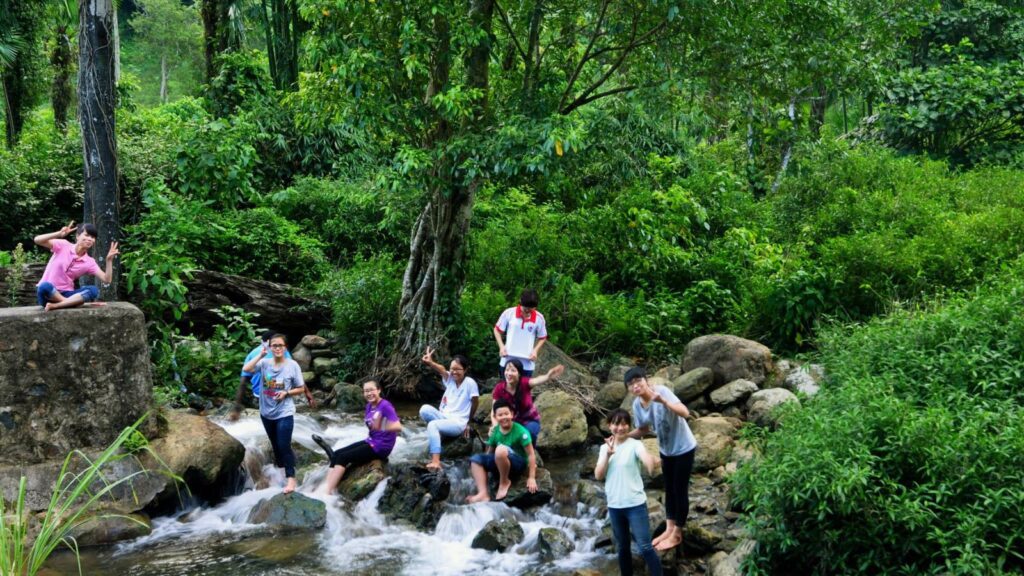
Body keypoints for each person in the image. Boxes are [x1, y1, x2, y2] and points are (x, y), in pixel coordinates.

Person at [626, 366, 697, 552]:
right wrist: (621, 437)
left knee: (679, 490)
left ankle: (677, 533)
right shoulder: (637, 405)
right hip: (666, 451)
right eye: (631, 384)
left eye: (638, 381)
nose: (636, 386)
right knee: (669, 489)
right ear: (629, 389)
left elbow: (685, 412)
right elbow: (643, 430)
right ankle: (669, 528)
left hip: (684, 448)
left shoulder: (662, 392)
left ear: (646, 380)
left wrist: (664, 401)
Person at [596, 409, 662, 576]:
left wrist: (650, 464)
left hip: (635, 505)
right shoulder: (604, 448)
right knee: (623, 548)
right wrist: (608, 455)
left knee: (645, 546)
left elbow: (645, 457)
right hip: (615, 505)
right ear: (609, 426)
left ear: (629, 426)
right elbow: (598, 475)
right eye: (617, 424)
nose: (621, 427)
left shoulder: (635, 444)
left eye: (625, 424)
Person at [241, 333, 306, 494]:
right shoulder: (264, 363)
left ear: (285, 348)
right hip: (266, 413)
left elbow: (301, 388)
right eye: (274, 345)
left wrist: (286, 393)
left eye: (280, 346)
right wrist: (260, 356)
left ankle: (291, 480)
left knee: (284, 445)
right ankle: (282, 473)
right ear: (270, 347)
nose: (277, 348)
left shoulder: (292, 365)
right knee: (276, 445)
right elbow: (246, 369)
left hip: (285, 412)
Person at [312, 378, 400, 495]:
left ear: (378, 390)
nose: (369, 393)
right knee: (338, 453)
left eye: (371, 390)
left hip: (381, 447)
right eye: (366, 391)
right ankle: (327, 484)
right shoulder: (369, 406)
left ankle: (327, 492)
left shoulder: (385, 406)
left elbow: (397, 426)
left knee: (343, 458)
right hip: (372, 441)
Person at [34, 221, 119, 310]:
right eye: (86, 235)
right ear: (78, 236)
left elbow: (107, 279)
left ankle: (57, 305)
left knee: (93, 290)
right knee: (44, 286)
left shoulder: (89, 262)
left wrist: (109, 260)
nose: (90, 239)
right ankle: (68, 302)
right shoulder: (63, 245)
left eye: (93, 237)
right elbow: (37, 240)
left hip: (68, 293)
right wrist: (59, 233)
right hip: (49, 295)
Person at [419, 347, 480, 470]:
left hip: (457, 423)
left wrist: (468, 422)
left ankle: (436, 461)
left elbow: (475, 403)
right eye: (452, 369)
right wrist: (430, 362)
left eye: (458, 369)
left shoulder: (470, 383)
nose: (454, 372)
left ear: (466, 369)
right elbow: (441, 369)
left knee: (433, 425)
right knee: (424, 409)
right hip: (445, 417)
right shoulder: (450, 380)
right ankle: (440, 434)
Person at [230, 330, 313, 421]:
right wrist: (307, 393)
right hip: (270, 395)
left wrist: (236, 407)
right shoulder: (277, 351)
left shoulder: (253, 354)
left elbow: (243, 381)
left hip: (266, 395)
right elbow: (294, 372)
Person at [466, 399, 538, 503]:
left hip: (518, 464)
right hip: (500, 461)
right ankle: (483, 493)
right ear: (495, 417)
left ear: (512, 414)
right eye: (500, 415)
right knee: (475, 459)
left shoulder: (521, 432)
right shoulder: (495, 431)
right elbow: (489, 453)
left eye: (506, 414)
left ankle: (504, 481)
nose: (504, 417)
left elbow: (531, 455)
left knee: (500, 450)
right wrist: (484, 466)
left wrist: (531, 477)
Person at [490, 358, 565, 444]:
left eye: (513, 371)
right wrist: (496, 428)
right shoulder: (499, 388)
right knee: (495, 438)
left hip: (530, 420)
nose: (509, 373)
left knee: (526, 434)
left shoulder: (524, 383)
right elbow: (493, 413)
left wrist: (548, 376)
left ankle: (529, 453)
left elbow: (536, 380)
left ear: (519, 374)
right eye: (507, 370)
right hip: (510, 422)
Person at [493, 288, 547, 377]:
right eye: (526, 307)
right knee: (506, 389)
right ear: (520, 301)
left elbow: (543, 337)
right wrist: (501, 347)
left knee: (523, 389)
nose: (527, 310)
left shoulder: (539, 318)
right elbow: (497, 330)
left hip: (527, 362)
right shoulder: (509, 313)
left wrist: (535, 350)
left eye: (531, 308)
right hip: (507, 359)